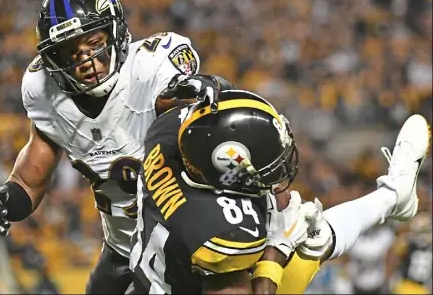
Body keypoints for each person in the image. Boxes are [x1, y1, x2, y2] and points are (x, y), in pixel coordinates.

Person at [0, 0, 226, 294]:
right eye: (71, 53)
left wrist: (200, 90)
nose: (86, 61)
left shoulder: (150, 69)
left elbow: (207, 101)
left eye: (94, 43)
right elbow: (29, 182)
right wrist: (2, 201)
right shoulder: (45, 93)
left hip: (186, 239)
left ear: (115, 34)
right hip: (123, 246)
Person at [130, 87, 430, 294]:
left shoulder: (168, 135)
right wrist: (275, 251)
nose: (276, 174)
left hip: (159, 276)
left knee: (307, 230)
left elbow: (212, 107)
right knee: (305, 238)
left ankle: (395, 195)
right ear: (228, 168)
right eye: (264, 166)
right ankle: (394, 196)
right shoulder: (224, 234)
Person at [386, 212, 432, 294]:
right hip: (420, 289)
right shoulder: (410, 243)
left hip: (406, 287)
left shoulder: (408, 242)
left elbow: (393, 255)